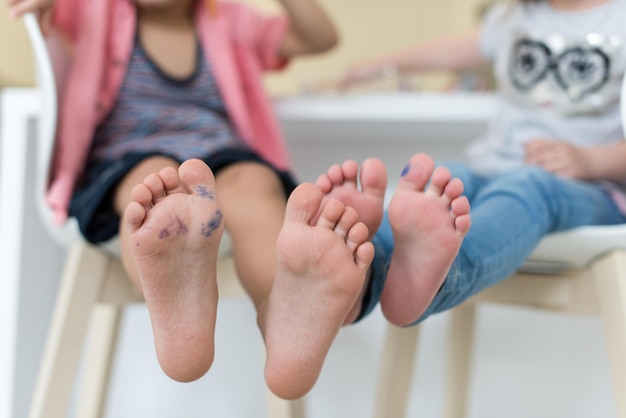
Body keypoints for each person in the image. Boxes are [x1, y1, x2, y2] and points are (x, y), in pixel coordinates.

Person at [6, 0, 377, 400]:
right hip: (126, 157)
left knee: (255, 183)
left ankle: (282, 316)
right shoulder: (94, 10)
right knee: (154, 188)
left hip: (223, 159)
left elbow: (320, 38)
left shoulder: (229, 20)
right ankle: (176, 294)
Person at [320, 0, 626, 328]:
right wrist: (375, 66)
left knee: (528, 186)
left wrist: (590, 160)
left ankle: (440, 276)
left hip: (591, 190)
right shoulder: (513, 16)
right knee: (447, 179)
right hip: (492, 170)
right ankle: (355, 277)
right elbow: (446, 51)